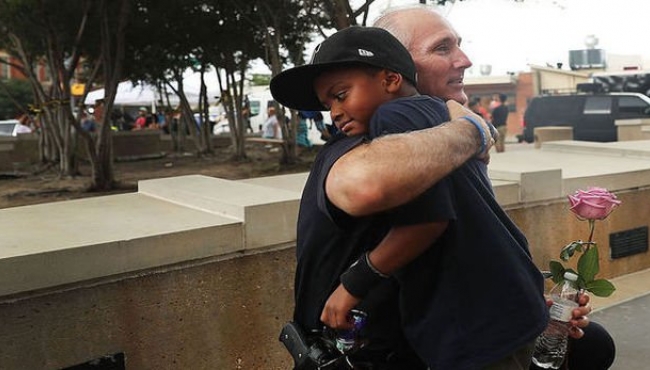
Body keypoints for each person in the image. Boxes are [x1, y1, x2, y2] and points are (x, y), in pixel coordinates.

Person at [273, 25, 548, 369]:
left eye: (341, 95)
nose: (335, 113)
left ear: (390, 80)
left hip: (474, 331)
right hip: (506, 313)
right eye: (328, 103)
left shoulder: (397, 115)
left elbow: (426, 219)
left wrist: (353, 284)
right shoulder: (440, 118)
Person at [373, 5, 614, 369]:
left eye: (459, 45)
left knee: (596, 345)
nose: (465, 60)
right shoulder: (400, 133)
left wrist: (538, 305)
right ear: (394, 72)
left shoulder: (446, 136)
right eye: (442, 49)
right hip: (475, 345)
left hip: (508, 321)